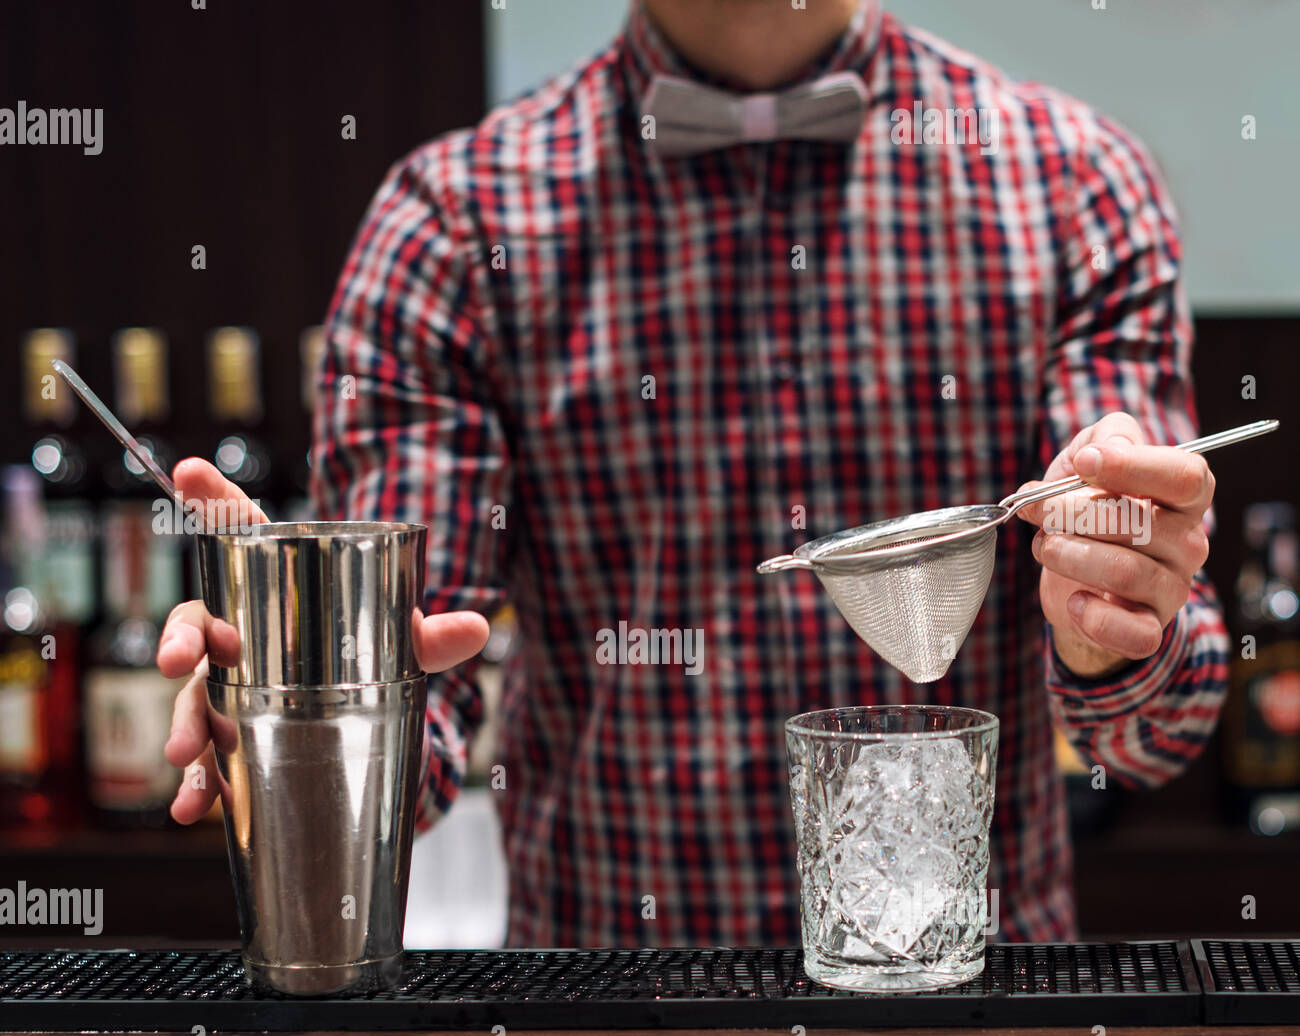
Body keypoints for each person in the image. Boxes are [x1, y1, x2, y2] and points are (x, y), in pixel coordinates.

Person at [158, 0, 1227, 948]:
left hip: (967, 1013)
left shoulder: (1076, 186)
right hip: (608, 1027)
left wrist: (1108, 617)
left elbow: (1153, 733)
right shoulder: (450, 223)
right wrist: (299, 698)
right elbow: (418, 702)